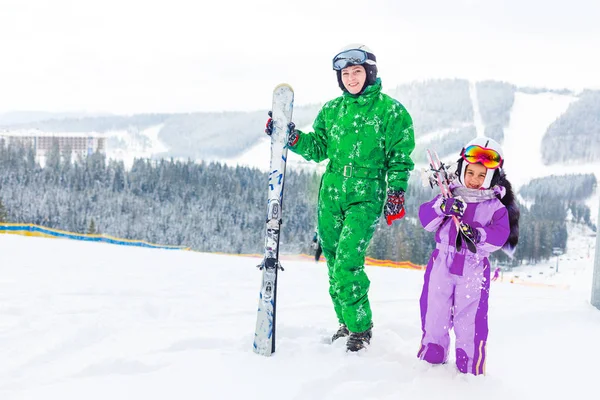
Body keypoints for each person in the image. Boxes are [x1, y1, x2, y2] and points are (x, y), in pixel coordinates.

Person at [266, 44, 415, 351]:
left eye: (357, 72)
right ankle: (345, 322)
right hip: (331, 193)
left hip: (366, 194)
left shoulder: (392, 112)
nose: (351, 79)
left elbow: (400, 157)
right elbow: (318, 148)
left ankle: (361, 329)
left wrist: (396, 191)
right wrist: (290, 137)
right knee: (333, 263)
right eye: (345, 74)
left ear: (370, 72)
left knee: (348, 261)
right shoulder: (332, 110)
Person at [417, 137, 519, 375]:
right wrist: (442, 208)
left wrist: (477, 234)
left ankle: (469, 365)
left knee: (469, 317)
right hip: (442, 262)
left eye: (482, 176)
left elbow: (499, 236)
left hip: (473, 267)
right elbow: (426, 221)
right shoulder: (449, 195)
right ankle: (433, 353)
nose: (474, 180)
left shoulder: (495, 207)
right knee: (435, 309)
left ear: (492, 178)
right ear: (462, 170)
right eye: (470, 173)